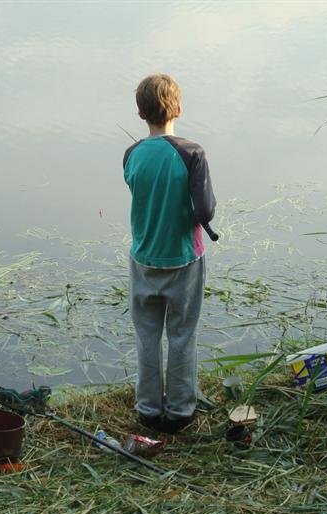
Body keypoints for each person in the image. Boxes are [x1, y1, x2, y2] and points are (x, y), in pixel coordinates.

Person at [122, 73, 217, 434]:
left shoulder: (131, 154)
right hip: (183, 259)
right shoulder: (193, 154)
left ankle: (148, 410)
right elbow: (205, 211)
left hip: (143, 258)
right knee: (181, 335)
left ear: (140, 113)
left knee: (147, 336)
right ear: (178, 108)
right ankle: (179, 411)